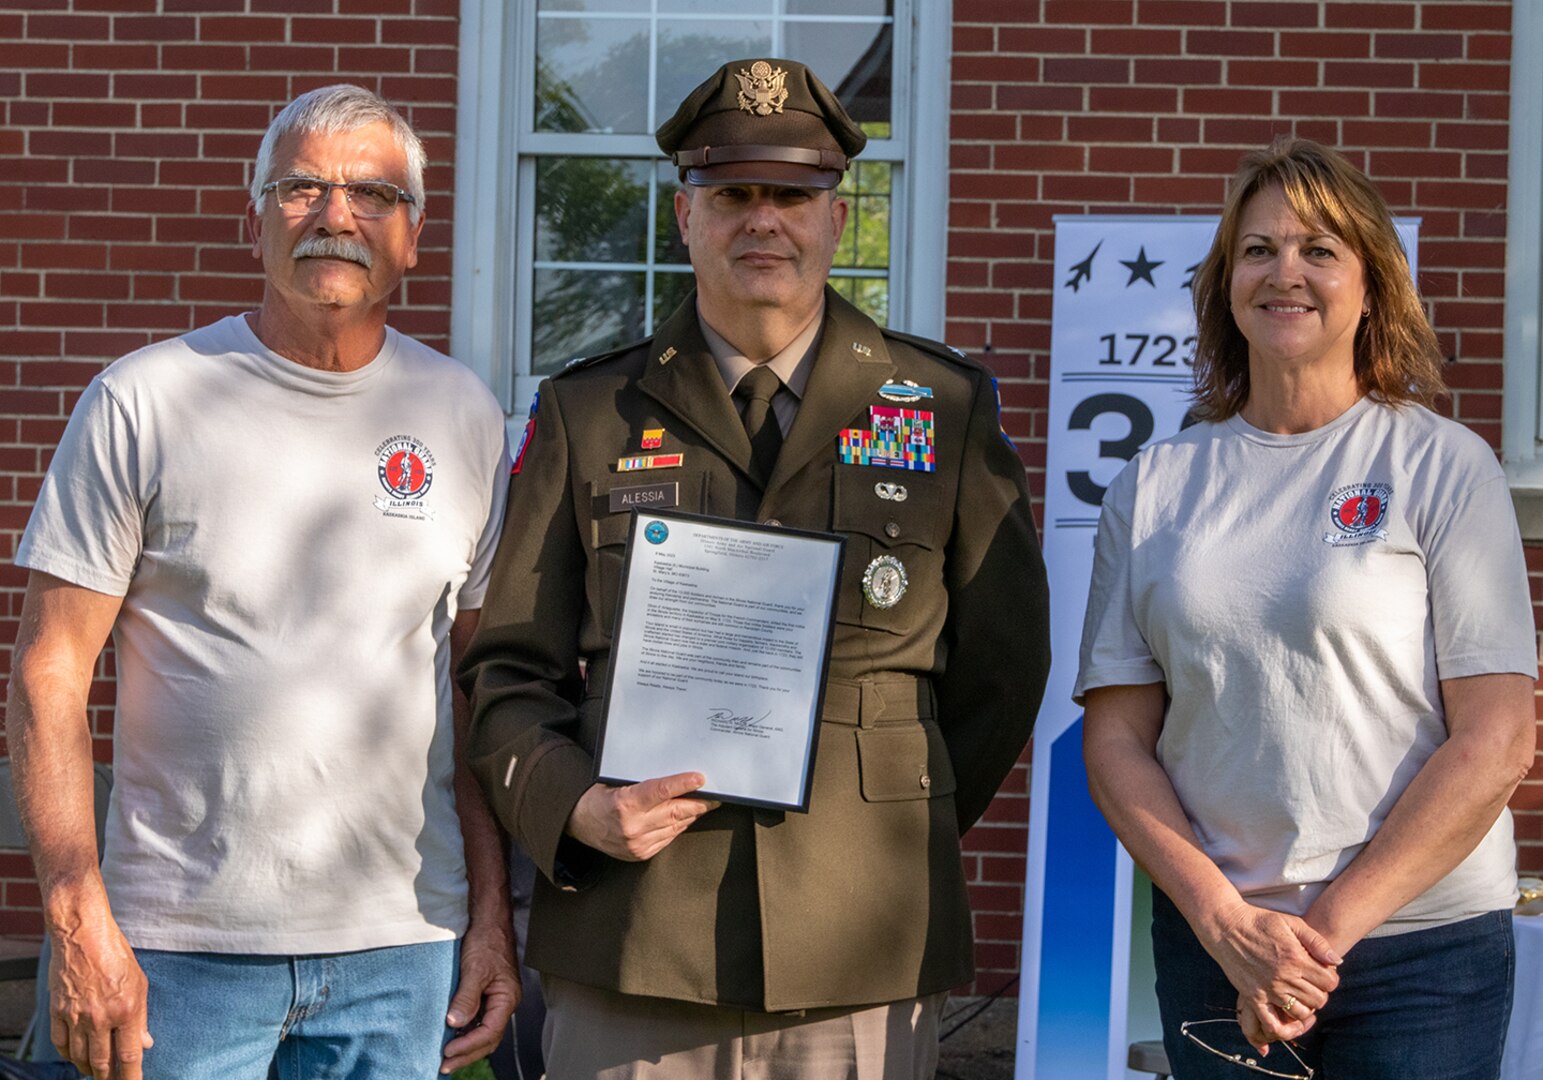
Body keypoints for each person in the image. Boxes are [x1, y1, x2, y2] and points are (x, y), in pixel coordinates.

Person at [460, 58, 1050, 1079]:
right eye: (732, 194)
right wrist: (574, 806)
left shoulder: (942, 409)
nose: (761, 220)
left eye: (791, 195)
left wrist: (880, 814)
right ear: (686, 217)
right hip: (636, 933)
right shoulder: (588, 413)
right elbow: (508, 673)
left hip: (859, 933)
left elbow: (1001, 672)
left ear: (836, 215)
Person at [6, 84, 519, 1080]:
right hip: (173, 953)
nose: (336, 215)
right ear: (256, 221)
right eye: (302, 187)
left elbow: (472, 695)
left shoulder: (463, 418)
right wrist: (77, 919)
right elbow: (49, 676)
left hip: (402, 951)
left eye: (372, 193)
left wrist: (491, 921)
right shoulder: (144, 402)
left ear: (413, 237)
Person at [1078, 136, 1536, 1079]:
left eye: (1319, 250)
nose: (1285, 272)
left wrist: (1314, 940)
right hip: (1219, 947)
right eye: (1258, 250)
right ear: (1223, 285)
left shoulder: (1442, 464)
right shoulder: (1154, 485)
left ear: (1372, 285)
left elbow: (1496, 739)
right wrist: (1224, 924)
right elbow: (1117, 741)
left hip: (1422, 951)